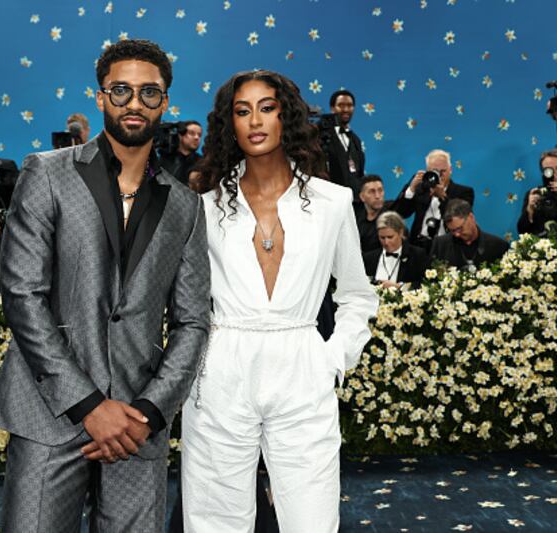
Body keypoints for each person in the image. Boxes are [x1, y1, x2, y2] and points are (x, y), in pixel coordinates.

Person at [0, 39, 210, 533]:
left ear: (165, 102)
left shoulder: (185, 205)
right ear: (101, 96)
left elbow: (194, 321)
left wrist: (150, 411)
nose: (135, 103)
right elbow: (22, 295)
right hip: (48, 411)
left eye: (149, 92)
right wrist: (88, 405)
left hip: (136, 423)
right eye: (121, 90)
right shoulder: (47, 173)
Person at [183, 70, 378, 532]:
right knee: (214, 520)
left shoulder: (332, 202)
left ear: (285, 117)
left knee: (312, 517)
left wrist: (333, 358)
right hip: (222, 368)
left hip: (303, 365)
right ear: (229, 124)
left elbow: (356, 294)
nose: (255, 120)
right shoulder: (204, 206)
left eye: (267, 108)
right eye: (242, 111)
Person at [392, 149, 475, 252]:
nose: (439, 175)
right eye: (435, 171)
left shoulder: (464, 192)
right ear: (427, 171)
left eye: (443, 171)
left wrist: (442, 197)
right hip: (418, 247)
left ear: (450, 170)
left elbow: (460, 220)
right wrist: (411, 190)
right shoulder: (420, 188)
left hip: (448, 248)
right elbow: (400, 213)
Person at [431, 199, 508, 272]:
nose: (457, 234)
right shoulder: (439, 245)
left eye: (459, 228)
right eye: (452, 231)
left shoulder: (499, 247)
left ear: (471, 217)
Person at [362, 211, 428, 289]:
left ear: (401, 233)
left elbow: (424, 284)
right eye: (382, 237)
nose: (386, 242)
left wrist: (400, 287)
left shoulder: (417, 255)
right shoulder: (369, 258)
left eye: (390, 237)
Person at [322, 89, 365, 197]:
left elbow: (359, 173)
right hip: (330, 198)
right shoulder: (321, 135)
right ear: (332, 108)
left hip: (355, 201)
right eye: (341, 105)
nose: (346, 109)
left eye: (350, 105)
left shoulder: (356, 140)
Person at [354, 174, 393, 253]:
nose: (377, 196)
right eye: (372, 192)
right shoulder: (354, 217)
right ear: (362, 197)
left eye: (380, 190)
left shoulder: (392, 211)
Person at [160, 120, 203, 185]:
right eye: (192, 133)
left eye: (199, 135)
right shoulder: (164, 158)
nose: (197, 137)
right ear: (180, 135)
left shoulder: (202, 163)